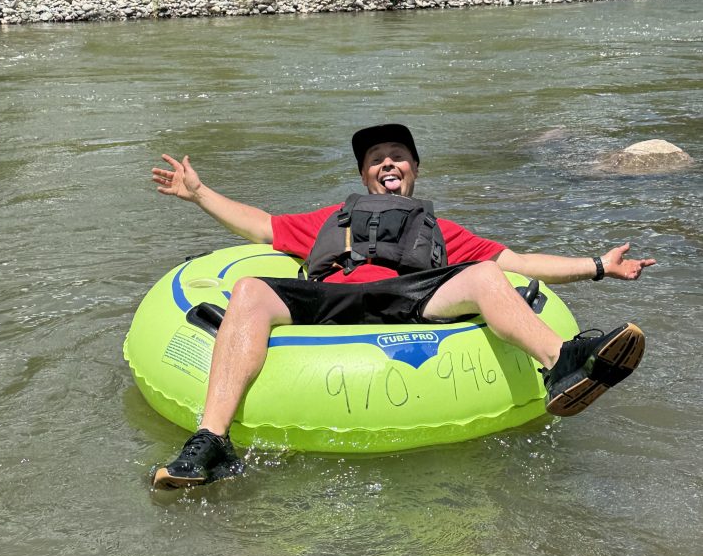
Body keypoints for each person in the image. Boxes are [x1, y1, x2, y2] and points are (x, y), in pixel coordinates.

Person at [150, 123, 655, 490]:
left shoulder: (442, 232)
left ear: (413, 169)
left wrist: (597, 265)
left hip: (413, 296)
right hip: (332, 295)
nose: (387, 163)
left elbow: (519, 261)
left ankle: (562, 365)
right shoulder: (331, 218)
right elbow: (259, 226)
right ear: (365, 175)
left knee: (484, 273)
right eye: (376, 159)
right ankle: (211, 442)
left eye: (398, 155)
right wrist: (200, 194)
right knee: (249, 290)